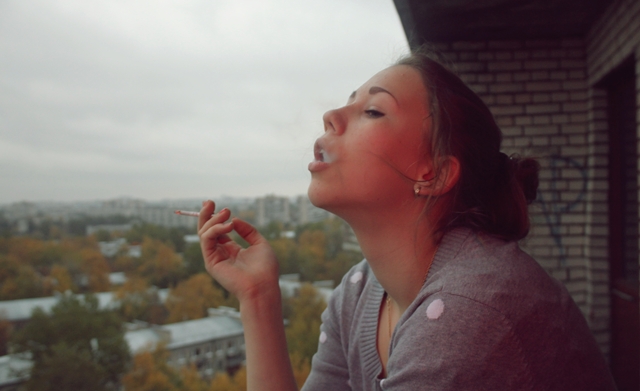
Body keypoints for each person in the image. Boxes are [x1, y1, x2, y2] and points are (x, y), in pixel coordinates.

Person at [198, 49, 617, 390]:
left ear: (433, 173)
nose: (331, 115)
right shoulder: (359, 293)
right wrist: (258, 297)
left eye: (373, 111)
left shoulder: (471, 312)